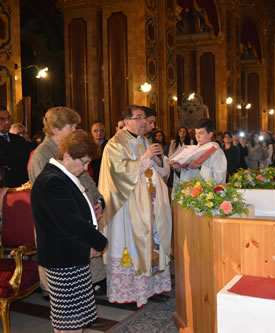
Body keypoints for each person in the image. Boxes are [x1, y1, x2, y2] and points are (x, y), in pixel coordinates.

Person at [31, 130, 108, 332]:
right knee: (69, 320)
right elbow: (70, 223)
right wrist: (99, 243)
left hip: (71, 256)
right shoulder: (52, 181)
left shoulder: (61, 176)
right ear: (66, 156)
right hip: (63, 259)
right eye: (83, 162)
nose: (85, 168)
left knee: (75, 319)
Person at [98, 105, 172, 307]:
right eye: (138, 117)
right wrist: (146, 157)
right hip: (128, 207)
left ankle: (151, 289)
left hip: (150, 204)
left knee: (153, 243)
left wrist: (159, 159)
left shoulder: (145, 140)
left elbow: (162, 172)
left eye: (144, 118)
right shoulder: (115, 144)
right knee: (133, 246)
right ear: (126, 121)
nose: (143, 121)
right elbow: (120, 172)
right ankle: (130, 293)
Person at [175, 118, 227, 184]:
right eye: (196, 133)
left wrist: (200, 167)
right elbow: (185, 178)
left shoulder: (217, 152)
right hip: (190, 192)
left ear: (210, 134)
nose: (197, 136)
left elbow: (220, 179)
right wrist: (178, 169)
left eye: (201, 133)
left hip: (207, 193)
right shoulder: (192, 151)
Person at [0, 107, 34, 187]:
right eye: (2, 119)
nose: (7, 122)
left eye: (8, 118)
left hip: (20, 186)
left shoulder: (19, 140)